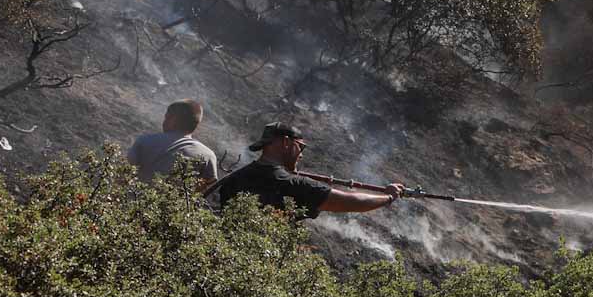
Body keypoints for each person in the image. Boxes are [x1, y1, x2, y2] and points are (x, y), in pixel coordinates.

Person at [214, 122, 405, 218]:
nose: (302, 154)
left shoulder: (234, 179)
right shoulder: (293, 185)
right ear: (287, 143)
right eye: (301, 147)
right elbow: (349, 202)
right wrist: (389, 197)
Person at [128, 100, 220, 185]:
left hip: (135, 200)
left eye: (166, 117)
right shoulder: (208, 156)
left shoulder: (145, 141)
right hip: (178, 202)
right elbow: (204, 189)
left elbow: (124, 174)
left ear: (172, 119)